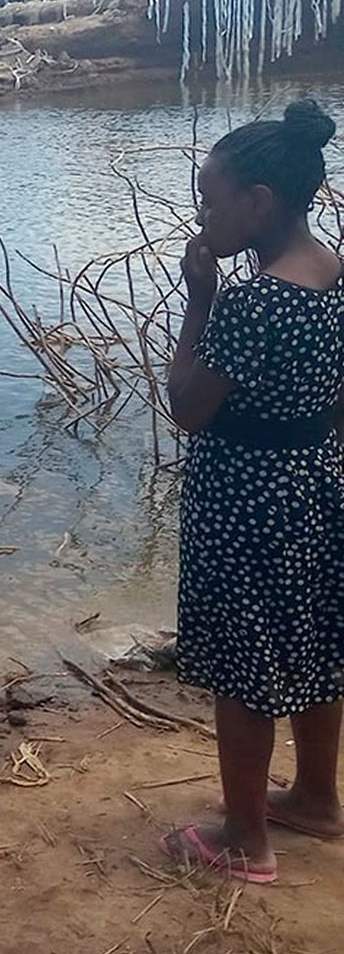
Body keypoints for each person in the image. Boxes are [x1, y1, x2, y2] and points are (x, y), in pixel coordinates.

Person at [161, 100, 344, 883]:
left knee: (245, 668)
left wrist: (199, 297)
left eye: (211, 197)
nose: (203, 213)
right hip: (315, 485)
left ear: (259, 202)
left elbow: (190, 409)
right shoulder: (334, 273)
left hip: (245, 501)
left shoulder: (252, 301)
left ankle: (244, 840)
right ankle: (315, 797)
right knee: (314, 645)